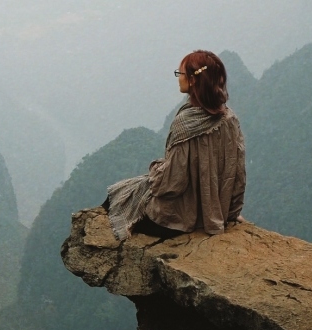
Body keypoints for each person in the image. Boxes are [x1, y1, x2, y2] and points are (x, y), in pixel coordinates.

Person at [104, 50, 246, 240]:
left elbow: (171, 184)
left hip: (178, 219)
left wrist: (155, 171)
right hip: (215, 213)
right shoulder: (230, 119)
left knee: (119, 197)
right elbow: (237, 174)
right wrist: (231, 212)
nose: (178, 79)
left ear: (193, 80)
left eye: (180, 74)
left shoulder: (185, 124)